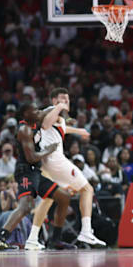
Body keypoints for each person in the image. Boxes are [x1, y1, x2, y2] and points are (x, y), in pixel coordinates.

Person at [0, 103, 76, 250]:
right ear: (26, 114)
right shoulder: (24, 130)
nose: (38, 112)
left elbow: (53, 109)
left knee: (64, 197)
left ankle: (55, 240)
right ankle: (0, 239)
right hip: (25, 171)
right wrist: (48, 151)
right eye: (34, 110)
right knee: (26, 207)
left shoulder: (37, 118)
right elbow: (31, 157)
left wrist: (65, 118)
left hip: (36, 172)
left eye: (37, 109)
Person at [39, 88, 106, 247]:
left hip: (49, 164)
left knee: (53, 200)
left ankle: (41, 238)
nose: (66, 102)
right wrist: (59, 107)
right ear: (54, 100)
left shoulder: (59, 117)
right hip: (55, 161)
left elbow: (62, 127)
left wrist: (79, 131)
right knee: (87, 189)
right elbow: (47, 123)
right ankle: (86, 232)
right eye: (62, 99)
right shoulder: (50, 111)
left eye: (67, 99)